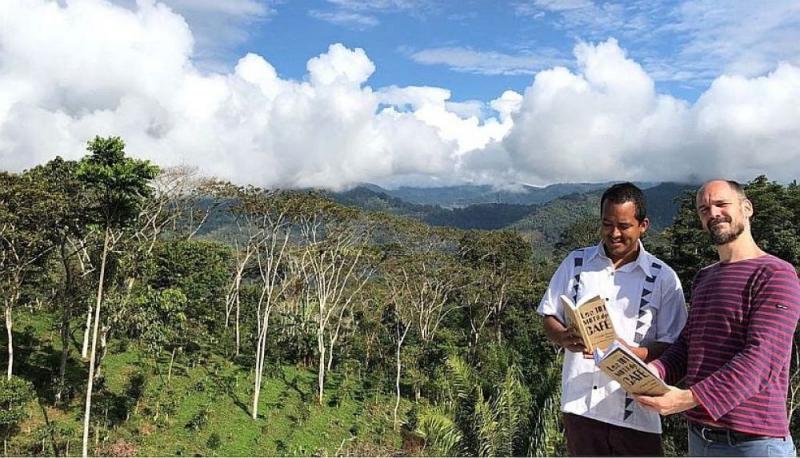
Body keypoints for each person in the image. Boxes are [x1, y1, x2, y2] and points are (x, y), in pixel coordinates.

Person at [636, 179, 800, 457]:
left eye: (722, 204)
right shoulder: (705, 277)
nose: (712, 213)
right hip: (700, 439)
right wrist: (655, 371)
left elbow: (761, 360)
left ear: (747, 208)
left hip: (754, 443)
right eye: (704, 209)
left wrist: (686, 399)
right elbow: (689, 345)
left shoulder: (776, 274)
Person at [537, 182, 688, 456]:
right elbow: (549, 314)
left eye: (624, 226)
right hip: (580, 406)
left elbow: (676, 344)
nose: (614, 233)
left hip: (638, 413)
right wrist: (563, 336)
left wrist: (635, 353)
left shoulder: (663, 277)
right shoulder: (576, 263)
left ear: (643, 225)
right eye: (607, 224)